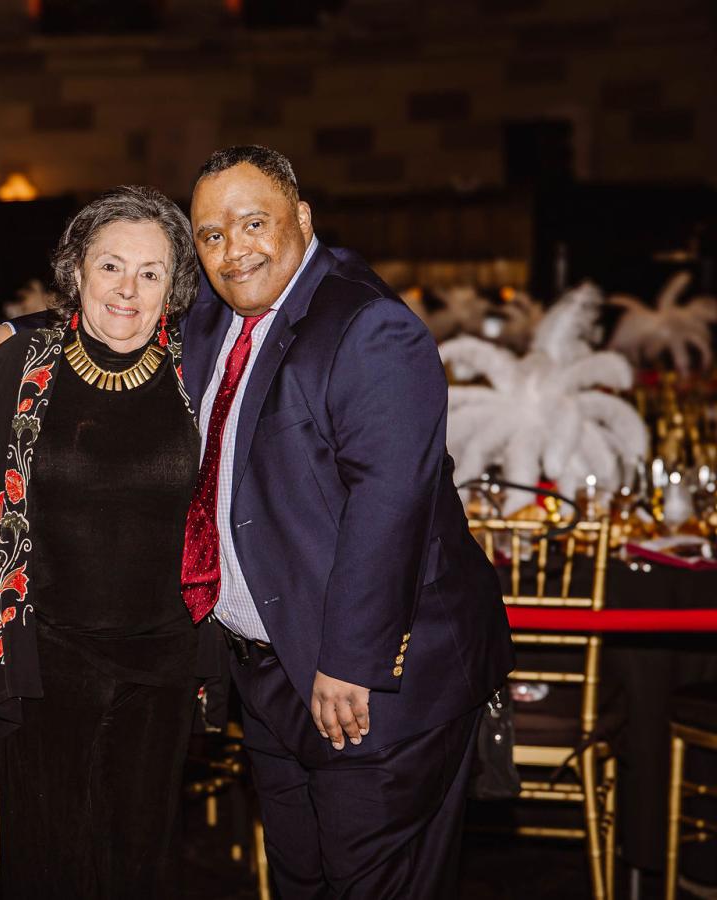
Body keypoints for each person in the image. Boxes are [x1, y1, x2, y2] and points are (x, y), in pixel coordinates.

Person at [180, 145, 513, 898]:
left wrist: (351, 661)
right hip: (270, 675)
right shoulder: (211, 320)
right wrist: (6, 336)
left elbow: (391, 504)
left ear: (302, 218)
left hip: (371, 684)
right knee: (301, 879)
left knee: (373, 884)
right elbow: (117, 314)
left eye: (253, 222)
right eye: (210, 235)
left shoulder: (368, 326)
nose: (233, 250)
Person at [0, 186, 208, 898]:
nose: (127, 290)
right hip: (45, 657)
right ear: (76, 270)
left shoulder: (204, 370)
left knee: (141, 862)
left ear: (177, 285)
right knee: (46, 860)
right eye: (111, 266)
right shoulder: (13, 368)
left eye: (151, 272)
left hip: (163, 664)